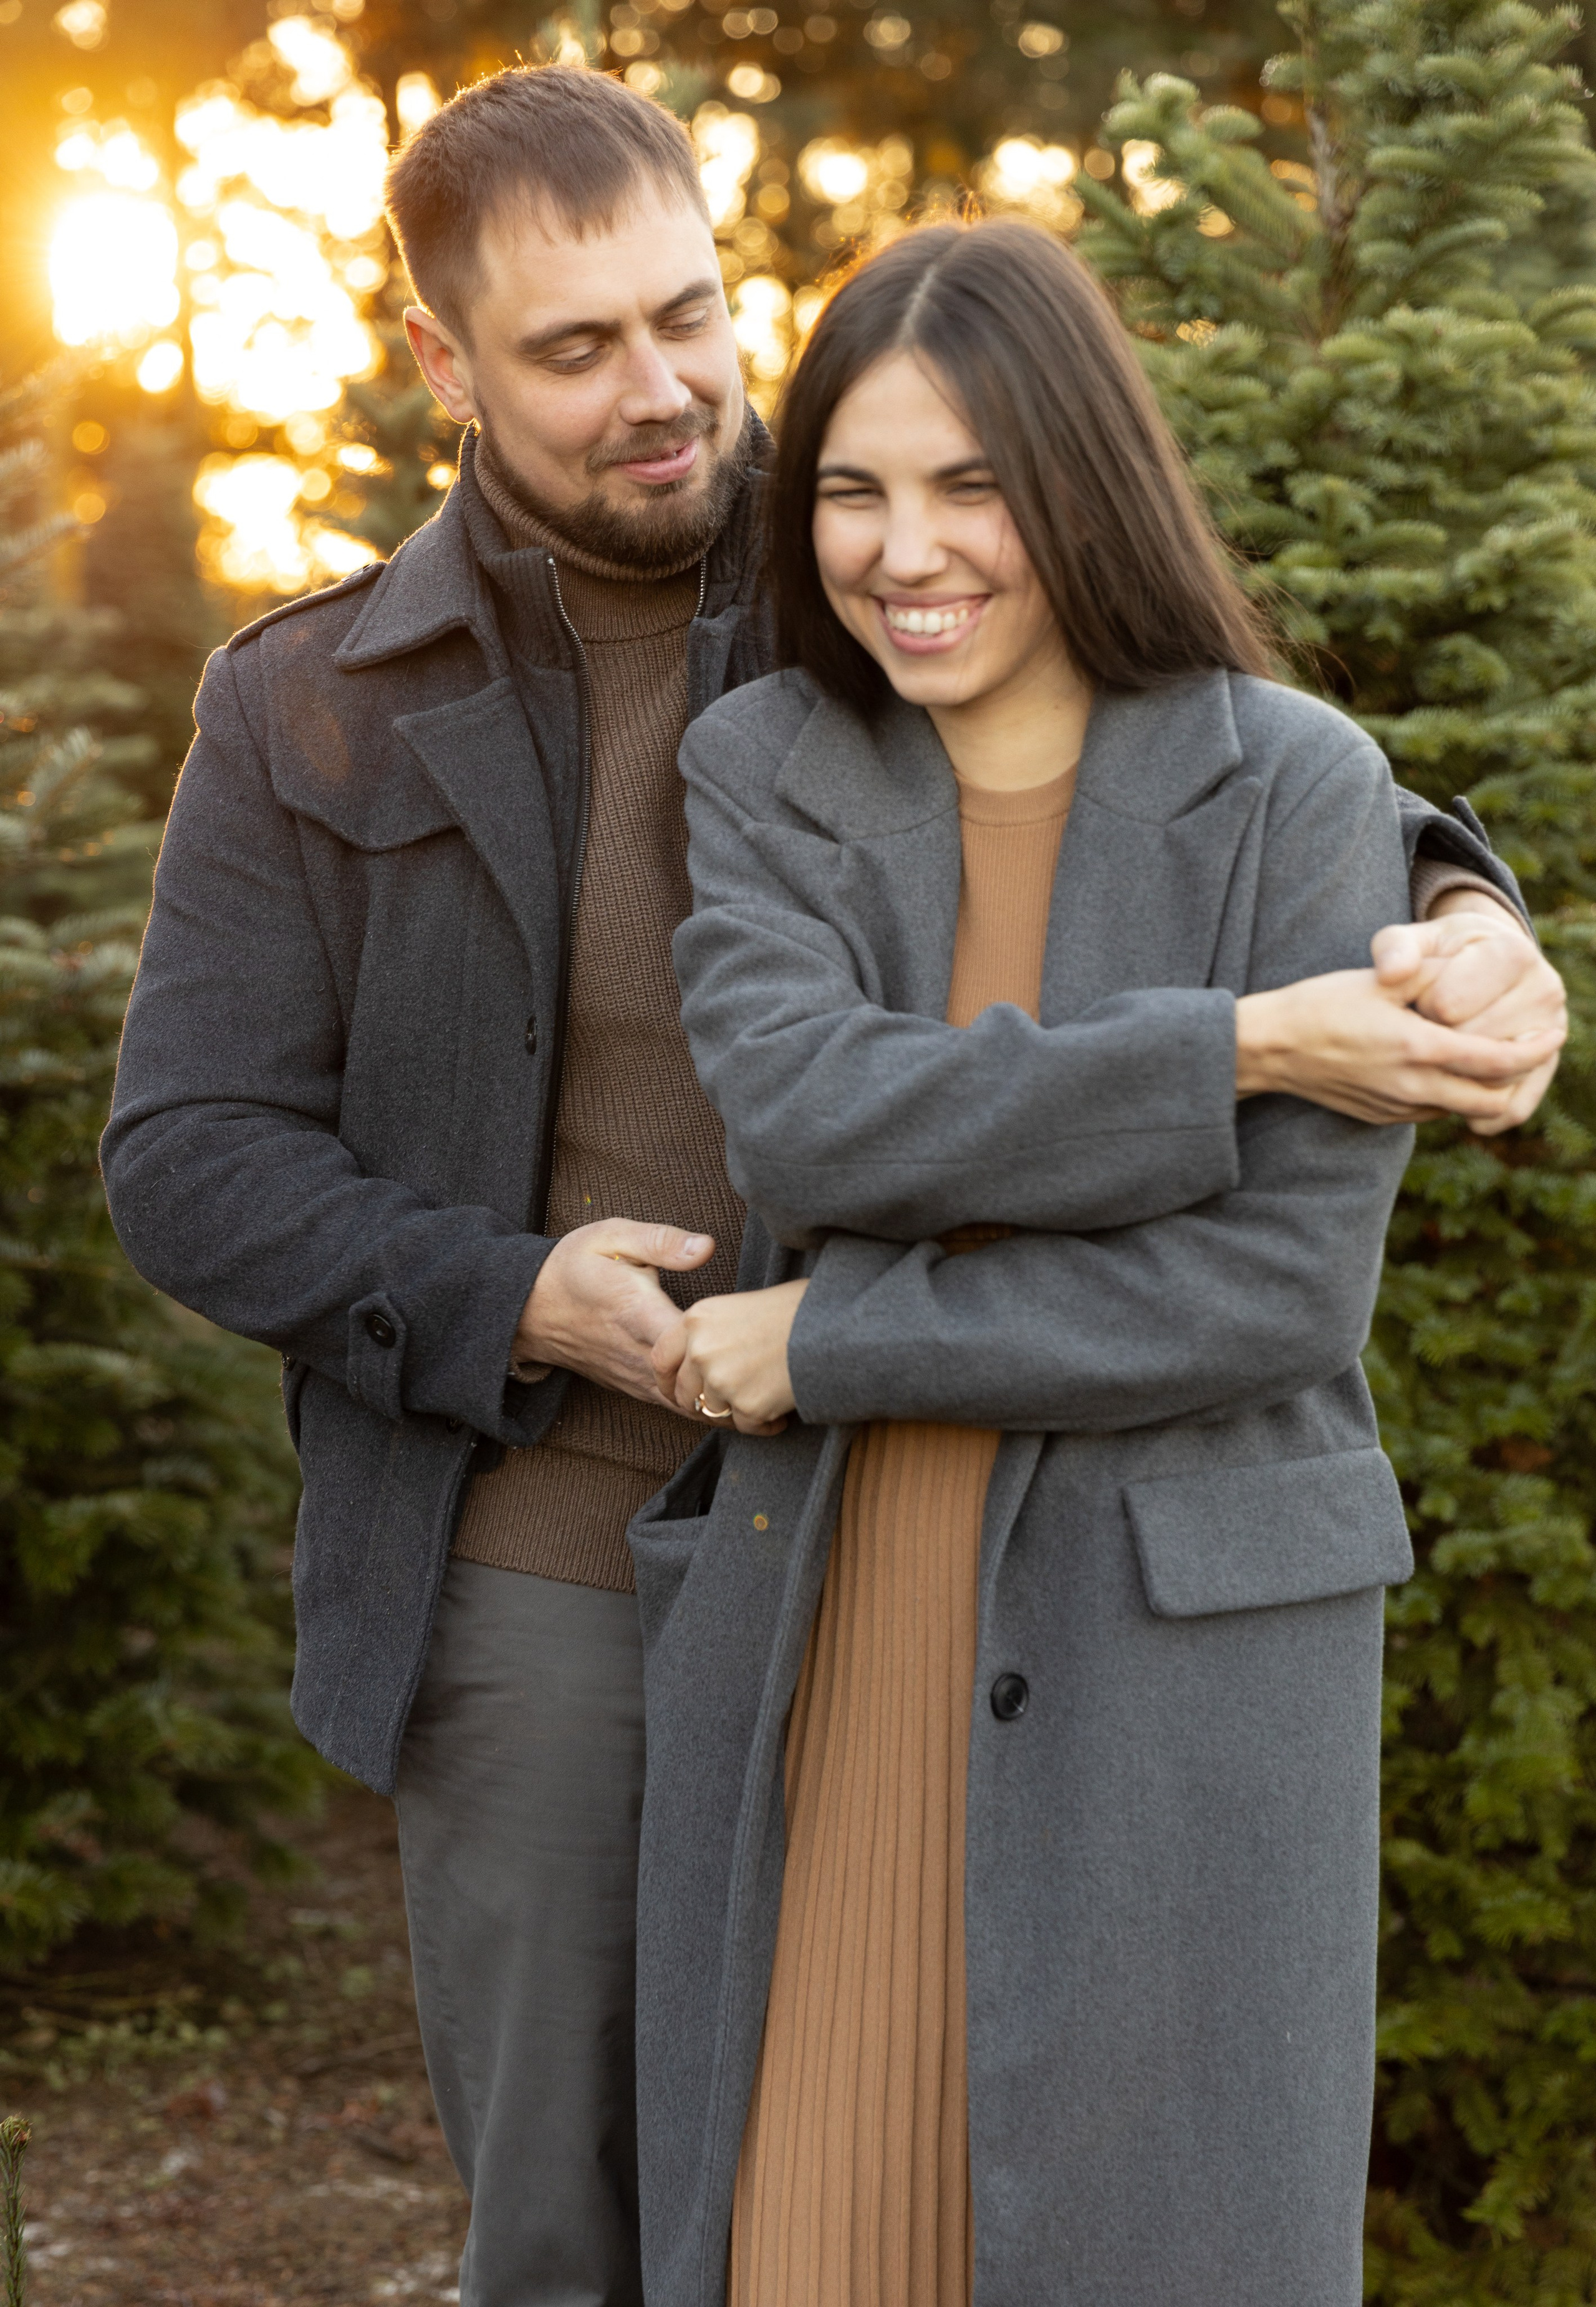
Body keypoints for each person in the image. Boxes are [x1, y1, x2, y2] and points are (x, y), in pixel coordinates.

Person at [99, 67, 1562, 2307]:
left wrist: (1465, 902)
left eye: (690, 315)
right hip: (559, 1541)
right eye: (574, 349)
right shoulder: (322, 701)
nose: (664, 389)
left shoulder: (863, 564)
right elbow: (187, 1158)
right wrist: (510, 1295)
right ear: (442, 368)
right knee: (601, 2217)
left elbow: (1197, 716)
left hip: (953, 1507)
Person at [632, 218, 1565, 2307]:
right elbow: (811, 1113)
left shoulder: (1299, 788)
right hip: (844, 1608)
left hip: (1183, 1670)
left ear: (1083, 479)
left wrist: (841, 1328)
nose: (906, 549)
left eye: (973, 483)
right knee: (822, 2236)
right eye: (857, 490)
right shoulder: (764, 769)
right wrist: (1237, 1045)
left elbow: (1267, 1298)